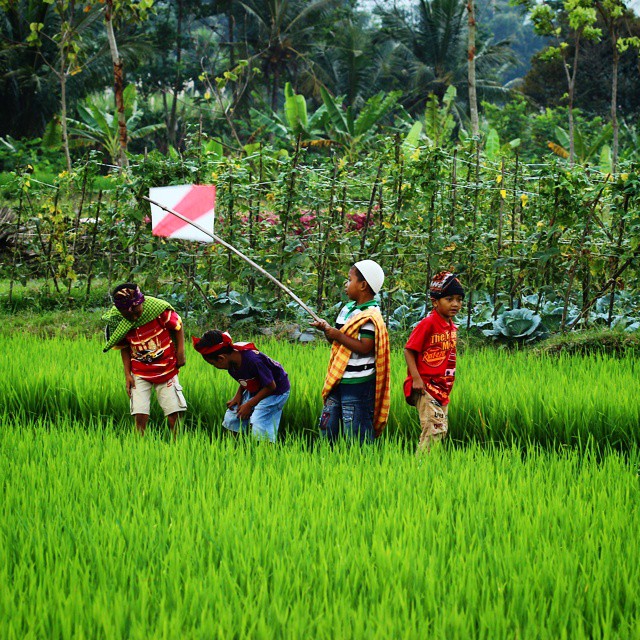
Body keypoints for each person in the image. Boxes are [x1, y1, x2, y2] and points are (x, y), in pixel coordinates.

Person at [311, 259, 391, 443]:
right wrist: (327, 330)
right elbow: (336, 340)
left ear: (363, 285)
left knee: (355, 428)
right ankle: (329, 460)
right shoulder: (347, 310)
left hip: (359, 383)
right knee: (327, 424)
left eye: (349, 279)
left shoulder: (371, 315)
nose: (346, 285)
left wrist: (337, 335)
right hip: (338, 378)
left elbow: (365, 347)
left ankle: (360, 462)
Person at [103, 283, 186, 436]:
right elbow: (125, 348)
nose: (134, 318)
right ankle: (139, 445)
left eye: (136, 312)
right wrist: (127, 375)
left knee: (174, 413)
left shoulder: (158, 310)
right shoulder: (120, 321)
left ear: (140, 302)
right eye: (129, 316)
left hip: (166, 368)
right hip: (139, 372)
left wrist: (181, 353)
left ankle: (178, 445)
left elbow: (178, 326)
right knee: (140, 414)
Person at [193, 330, 290, 443]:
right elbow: (246, 378)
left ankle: (265, 453)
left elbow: (270, 386)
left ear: (221, 358)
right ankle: (236, 448)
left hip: (275, 391)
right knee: (233, 417)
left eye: (214, 364)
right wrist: (238, 395)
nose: (215, 367)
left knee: (259, 422)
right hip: (255, 387)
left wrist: (249, 405)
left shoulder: (253, 360)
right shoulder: (232, 362)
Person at [403, 271, 464, 452]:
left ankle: (429, 467)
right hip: (425, 387)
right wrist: (416, 379)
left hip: (442, 388)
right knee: (433, 429)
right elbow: (409, 350)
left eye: (459, 299)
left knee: (441, 429)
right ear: (435, 301)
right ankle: (421, 469)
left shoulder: (451, 327)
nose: (455, 304)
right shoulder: (428, 323)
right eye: (449, 299)